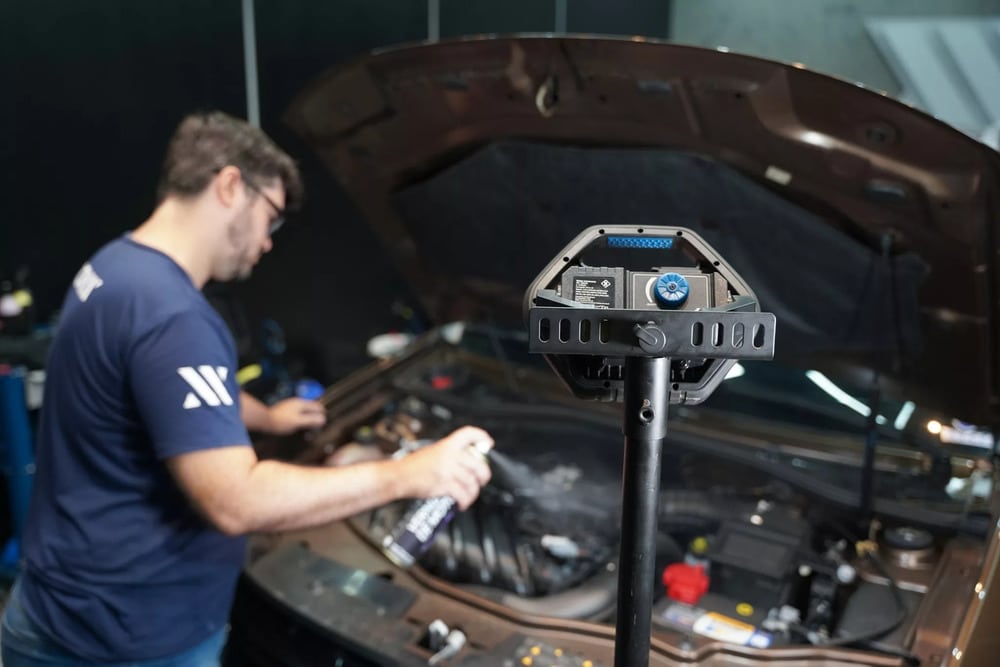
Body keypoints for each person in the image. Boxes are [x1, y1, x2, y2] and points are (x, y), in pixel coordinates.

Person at [1, 111, 493, 666]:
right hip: (126, 639)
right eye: (271, 218)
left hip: (59, 606)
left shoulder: (115, 267)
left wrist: (270, 419)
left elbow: (153, 391)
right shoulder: (175, 318)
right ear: (231, 185)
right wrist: (409, 474)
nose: (267, 242)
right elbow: (235, 502)